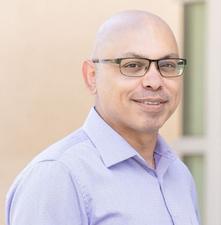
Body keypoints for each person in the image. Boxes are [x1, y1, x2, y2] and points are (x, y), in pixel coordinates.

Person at [6, 10, 200, 225]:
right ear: (92, 77)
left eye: (167, 66)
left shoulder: (178, 175)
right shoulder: (58, 177)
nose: (154, 81)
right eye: (132, 65)